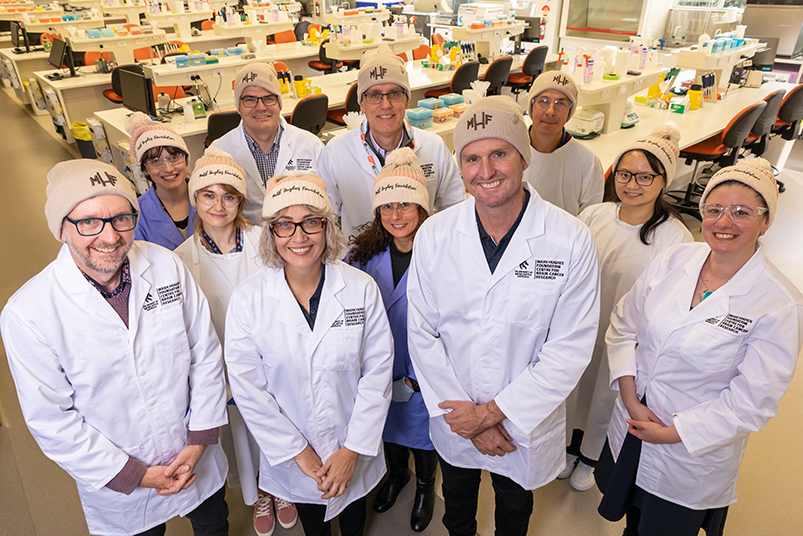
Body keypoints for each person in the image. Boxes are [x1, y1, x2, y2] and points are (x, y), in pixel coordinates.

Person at [0, 160, 229, 536]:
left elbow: (204, 354)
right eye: (88, 222)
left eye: (121, 218)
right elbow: (52, 420)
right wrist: (134, 473)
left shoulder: (165, 266)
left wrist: (200, 439)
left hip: (194, 456)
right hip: (120, 481)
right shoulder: (29, 313)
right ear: (61, 228)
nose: (109, 236)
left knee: (213, 525)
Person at [407, 96, 600, 536]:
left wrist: (493, 413)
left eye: (499, 154)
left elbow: (569, 348)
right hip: (454, 409)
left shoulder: (570, 240)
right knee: (456, 502)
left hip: (522, 421)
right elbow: (422, 332)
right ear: (460, 167)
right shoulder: (435, 234)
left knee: (515, 509)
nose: (486, 170)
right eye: (472, 158)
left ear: (524, 157)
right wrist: (470, 420)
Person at [596, 158, 803, 536]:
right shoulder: (675, 258)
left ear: (766, 220)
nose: (724, 223)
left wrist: (672, 433)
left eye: (742, 212)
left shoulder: (778, 303)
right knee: (630, 516)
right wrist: (629, 397)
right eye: (714, 210)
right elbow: (624, 325)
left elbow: (750, 402)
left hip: (688, 453)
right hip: (632, 423)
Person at [224, 172, 394, 536]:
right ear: (271, 233)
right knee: (313, 524)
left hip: (352, 443)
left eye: (311, 222)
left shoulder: (360, 289)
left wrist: (351, 451)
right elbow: (249, 389)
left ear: (328, 228)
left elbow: (377, 375)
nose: (299, 237)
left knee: (352, 519)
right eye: (285, 225)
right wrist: (297, 451)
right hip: (292, 453)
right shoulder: (248, 300)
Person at [561, 125, 694, 492]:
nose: (632, 184)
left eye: (645, 176)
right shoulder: (595, 216)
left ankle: (590, 457)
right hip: (583, 326)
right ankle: (569, 446)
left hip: (630, 340)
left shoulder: (674, 237)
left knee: (608, 396)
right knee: (575, 387)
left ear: (663, 180)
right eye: (624, 174)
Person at [174, 148, 298, 536]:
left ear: (241, 200)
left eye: (229, 195)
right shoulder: (180, 259)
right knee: (242, 435)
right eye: (208, 195)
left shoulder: (267, 240)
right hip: (220, 369)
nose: (219, 205)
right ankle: (261, 489)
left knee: (280, 421)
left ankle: (284, 488)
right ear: (194, 199)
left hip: (275, 358)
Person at [346, 148, 438, 532]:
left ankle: (424, 487)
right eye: (386, 207)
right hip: (378, 371)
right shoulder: (363, 255)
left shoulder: (441, 253)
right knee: (388, 431)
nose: (396, 215)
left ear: (422, 208)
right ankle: (397, 475)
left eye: (405, 205)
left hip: (423, 374)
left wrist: (415, 379)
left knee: (422, 434)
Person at [318, 44, 466, 241]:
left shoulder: (434, 147)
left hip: (419, 258)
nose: (385, 104)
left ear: (407, 100)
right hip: (358, 260)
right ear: (361, 103)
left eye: (394, 93)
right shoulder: (336, 151)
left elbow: (455, 210)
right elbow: (323, 215)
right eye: (374, 95)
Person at [211, 63, 325, 224]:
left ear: (279, 102)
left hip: (299, 240)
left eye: (269, 98)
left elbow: (329, 204)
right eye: (250, 100)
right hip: (245, 243)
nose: (261, 107)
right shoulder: (219, 151)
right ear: (238, 106)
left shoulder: (311, 145)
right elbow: (211, 212)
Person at [522, 72, 604, 216]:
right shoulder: (511, 151)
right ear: (531, 105)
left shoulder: (587, 162)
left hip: (567, 237)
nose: (550, 111)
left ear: (570, 111)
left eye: (560, 103)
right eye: (544, 101)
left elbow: (591, 217)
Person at [125, 111, 196, 250]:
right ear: (145, 169)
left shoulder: (211, 195)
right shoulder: (138, 216)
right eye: (156, 161)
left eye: (174, 157)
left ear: (186, 159)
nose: (168, 169)